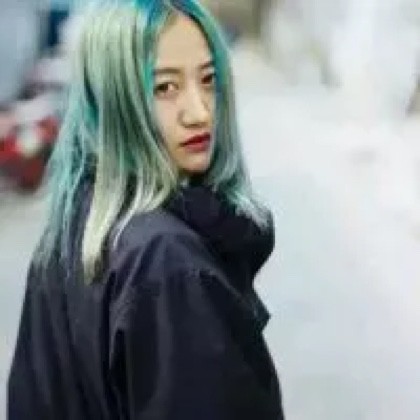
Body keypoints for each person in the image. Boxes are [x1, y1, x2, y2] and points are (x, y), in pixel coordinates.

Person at [7, 1, 284, 419]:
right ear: (115, 98)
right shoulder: (168, 264)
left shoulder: (72, 228)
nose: (200, 112)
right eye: (165, 88)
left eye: (208, 80)